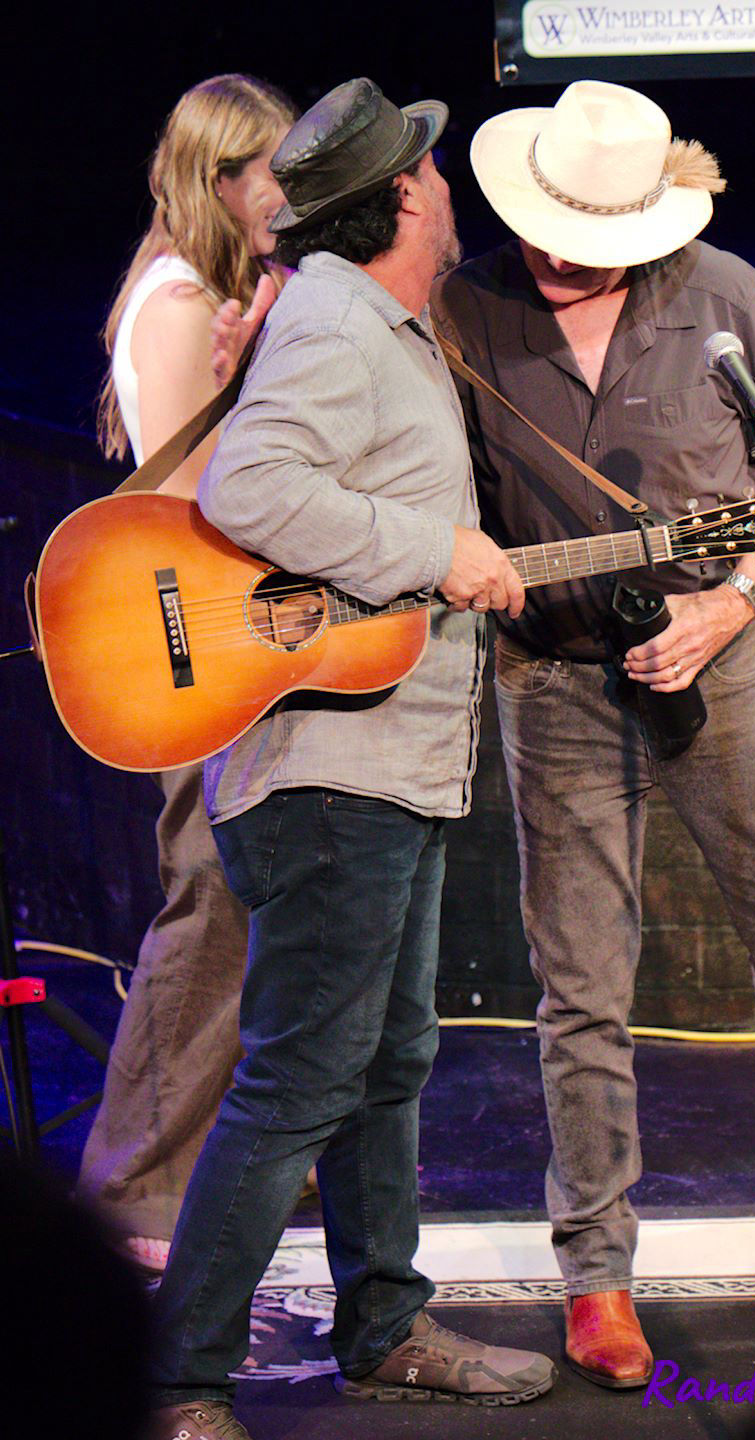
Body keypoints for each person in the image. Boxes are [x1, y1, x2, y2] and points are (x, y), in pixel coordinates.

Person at [440, 80, 755, 1386]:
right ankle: (595, 1272)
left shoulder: (722, 294)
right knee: (583, 982)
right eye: (555, 225)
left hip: (731, 656)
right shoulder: (463, 311)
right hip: (554, 673)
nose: (567, 255)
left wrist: (733, 603)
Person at [147, 79, 551, 1440]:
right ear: (401, 204)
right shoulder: (333, 318)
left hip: (393, 764)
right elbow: (248, 487)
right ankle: (181, 1378)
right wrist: (435, 554)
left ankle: (383, 1324)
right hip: (331, 777)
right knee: (302, 1076)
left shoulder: (381, 323)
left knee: (386, 1063)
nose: (446, 186)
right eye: (428, 172)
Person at [81, 73, 294, 1273]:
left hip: (240, 643)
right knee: (205, 911)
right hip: (197, 651)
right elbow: (177, 501)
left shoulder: (224, 295)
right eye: (268, 170)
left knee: (248, 911)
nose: (286, 193)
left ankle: (221, 1175)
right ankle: (131, 1195)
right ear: (218, 180)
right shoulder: (177, 303)